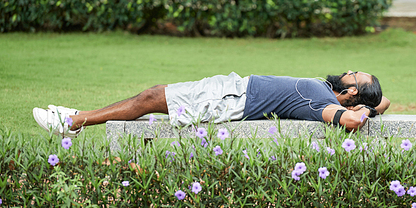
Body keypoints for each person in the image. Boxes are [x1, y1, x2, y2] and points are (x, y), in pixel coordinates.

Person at [33, 70, 390, 138]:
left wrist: (357, 114)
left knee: (151, 98)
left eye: (354, 76)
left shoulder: (321, 101)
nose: (347, 71)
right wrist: (371, 107)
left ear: (352, 93)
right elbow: (384, 100)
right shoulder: (327, 90)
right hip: (232, 87)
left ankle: (73, 121)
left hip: (233, 100)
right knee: (153, 95)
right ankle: (76, 118)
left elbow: (348, 122)